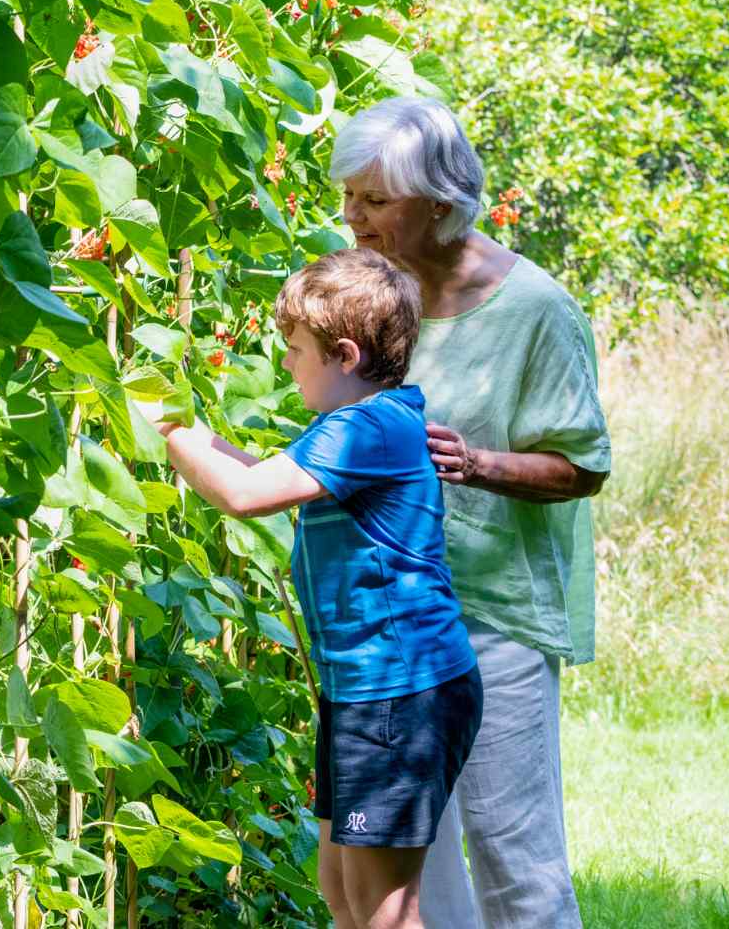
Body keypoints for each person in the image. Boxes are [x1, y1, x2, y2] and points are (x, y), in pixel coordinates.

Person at [329, 95, 611, 929]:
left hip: (492, 619)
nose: (352, 217)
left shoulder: (537, 310)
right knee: (413, 866)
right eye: (349, 195)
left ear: (443, 203)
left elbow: (582, 466)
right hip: (386, 621)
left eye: (375, 201)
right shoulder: (368, 294)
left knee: (512, 856)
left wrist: (476, 463)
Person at [152, 247, 482, 929]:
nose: (286, 363)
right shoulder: (362, 424)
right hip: (367, 691)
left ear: (344, 355)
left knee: (385, 909)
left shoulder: (370, 428)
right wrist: (191, 431)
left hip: (401, 692)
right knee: (341, 890)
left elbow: (245, 494)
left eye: (295, 349)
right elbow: (263, 468)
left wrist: (167, 427)